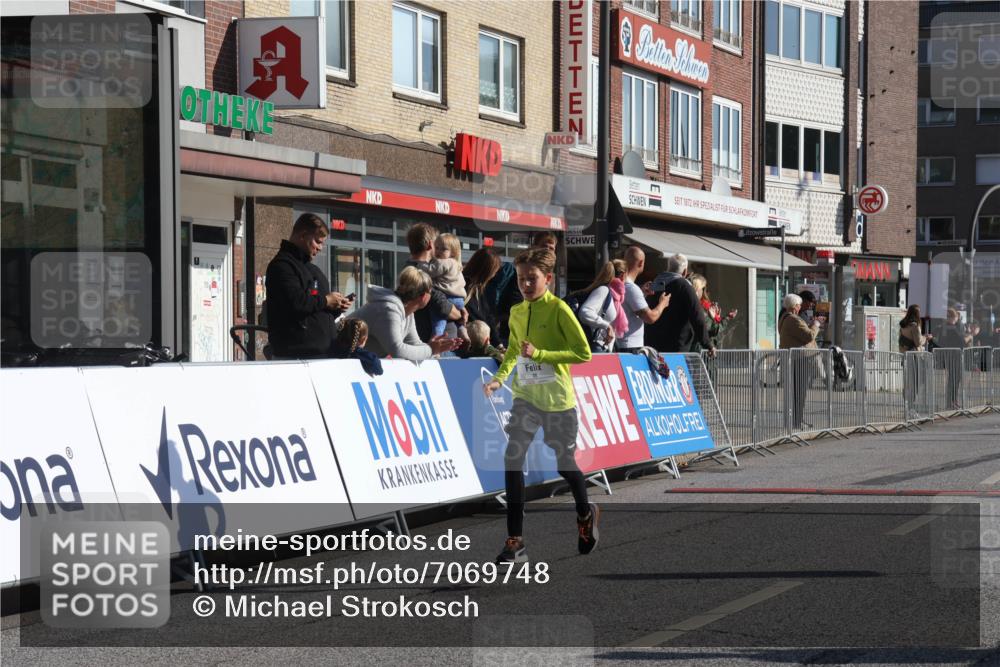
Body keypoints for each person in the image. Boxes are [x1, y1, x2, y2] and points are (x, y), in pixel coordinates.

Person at [483, 248, 599, 564]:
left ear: (547, 278)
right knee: (512, 457)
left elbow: (583, 353)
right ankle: (515, 541)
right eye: (521, 279)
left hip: (558, 401)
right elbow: (513, 352)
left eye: (531, 278)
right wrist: (498, 379)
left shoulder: (559, 309)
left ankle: (585, 513)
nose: (525, 285)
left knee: (564, 464)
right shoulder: (517, 312)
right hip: (526, 398)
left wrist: (541, 355)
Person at [264, 213, 352, 359]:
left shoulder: (312, 270)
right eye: (317, 242)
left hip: (322, 353)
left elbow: (314, 309)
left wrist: (335, 307)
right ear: (303, 235)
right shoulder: (282, 266)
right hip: (296, 356)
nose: (320, 248)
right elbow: (295, 302)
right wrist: (326, 301)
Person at [352, 267, 461, 362]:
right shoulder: (388, 310)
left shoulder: (408, 313)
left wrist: (434, 348)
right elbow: (397, 350)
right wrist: (431, 349)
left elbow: (414, 343)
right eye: (430, 292)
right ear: (424, 296)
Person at [486, 231, 558, 347]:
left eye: (552, 248)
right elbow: (517, 302)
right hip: (515, 336)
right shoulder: (524, 270)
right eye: (544, 246)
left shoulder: (550, 275)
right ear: (534, 247)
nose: (548, 251)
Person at [404, 223, 464, 342]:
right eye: (437, 246)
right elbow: (443, 306)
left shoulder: (410, 268)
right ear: (431, 245)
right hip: (436, 342)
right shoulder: (419, 272)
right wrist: (459, 313)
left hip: (431, 340)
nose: (439, 250)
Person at [644, 253, 714, 355]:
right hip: (676, 348)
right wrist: (708, 344)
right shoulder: (684, 286)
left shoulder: (656, 283)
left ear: (668, 267)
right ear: (685, 271)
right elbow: (697, 316)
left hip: (652, 346)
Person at [616, 246, 670, 354]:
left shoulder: (622, 284)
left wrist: (642, 293)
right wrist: (662, 304)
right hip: (630, 345)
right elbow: (650, 317)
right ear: (641, 263)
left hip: (621, 343)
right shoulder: (631, 288)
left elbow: (629, 307)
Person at [779, 293, 820, 430]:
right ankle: (796, 422)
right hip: (799, 359)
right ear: (794, 306)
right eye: (799, 305)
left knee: (797, 392)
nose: (800, 307)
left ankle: (796, 420)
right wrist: (816, 325)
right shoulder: (793, 319)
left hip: (794, 358)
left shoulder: (784, 317)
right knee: (800, 392)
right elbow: (809, 335)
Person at [576, 260, 629, 353]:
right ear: (623, 275)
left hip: (604, 347)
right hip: (596, 346)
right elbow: (585, 312)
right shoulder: (603, 290)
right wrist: (606, 326)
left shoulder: (615, 296)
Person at [427, 233, 468, 341]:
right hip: (459, 300)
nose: (438, 251)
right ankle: (462, 330)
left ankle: (437, 336)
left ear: (453, 252)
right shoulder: (457, 265)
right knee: (459, 320)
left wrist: (422, 265)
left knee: (438, 320)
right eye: (437, 247)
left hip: (447, 297)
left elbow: (430, 271)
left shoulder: (444, 262)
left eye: (443, 249)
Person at [463, 248, 503, 345]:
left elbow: (488, 316)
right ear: (487, 271)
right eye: (494, 271)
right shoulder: (464, 286)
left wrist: (498, 344)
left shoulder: (478, 288)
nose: (494, 275)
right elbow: (476, 316)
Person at [937, 307, 971, 409]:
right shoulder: (951, 327)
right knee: (954, 379)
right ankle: (951, 401)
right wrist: (969, 337)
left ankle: (952, 401)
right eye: (955, 318)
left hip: (949, 355)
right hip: (954, 355)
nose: (956, 320)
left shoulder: (944, 327)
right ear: (952, 317)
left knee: (954, 379)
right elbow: (962, 341)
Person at [689, 273, 722, 352]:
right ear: (697, 289)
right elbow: (713, 330)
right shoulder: (698, 308)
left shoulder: (684, 304)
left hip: (681, 351)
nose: (704, 291)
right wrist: (714, 318)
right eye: (703, 288)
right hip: (697, 351)